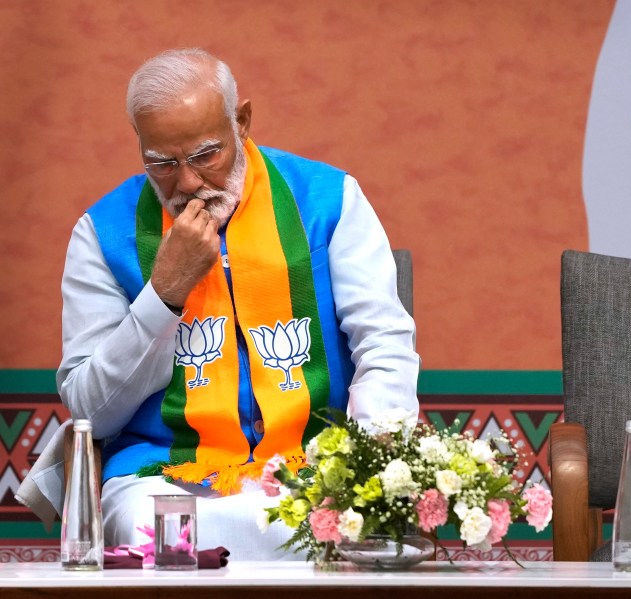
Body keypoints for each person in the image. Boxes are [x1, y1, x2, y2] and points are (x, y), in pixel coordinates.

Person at [55, 48, 419, 560]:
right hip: (163, 474)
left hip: (316, 466)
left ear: (242, 121)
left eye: (206, 155)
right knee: (155, 532)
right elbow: (91, 410)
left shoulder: (330, 200)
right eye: (162, 162)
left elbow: (383, 343)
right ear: (139, 146)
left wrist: (365, 461)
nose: (186, 183)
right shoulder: (101, 232)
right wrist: (164, 295)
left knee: (347, 526)